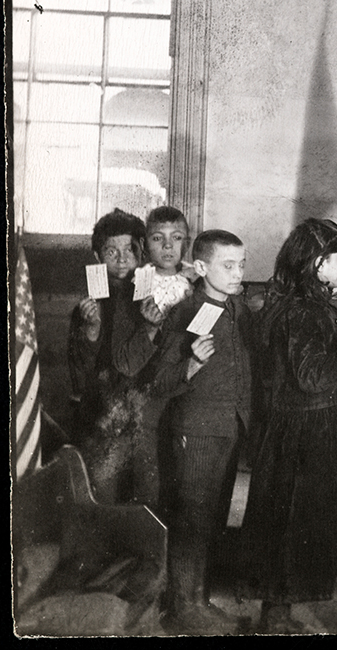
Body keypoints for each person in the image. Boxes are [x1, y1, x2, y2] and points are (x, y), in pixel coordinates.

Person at [240, 219, 337, 634]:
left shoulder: (299, 303)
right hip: (307, 430)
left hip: (297, 426)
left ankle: (275, 615)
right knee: (295, 524)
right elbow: (312, 378)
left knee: (285, 523)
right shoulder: (304, 310)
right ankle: (274, 621)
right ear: (317, 265)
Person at [154, 229, 252, 635]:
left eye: (241, 265)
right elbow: (160, 381)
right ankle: (183, 607)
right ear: (201, 267)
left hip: (228, 428)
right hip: (195, 430)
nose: (237, 273)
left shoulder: (237, 309)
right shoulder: (185, 312)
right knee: (191, 519)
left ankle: (200, 601)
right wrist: (191, 363)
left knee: (210, 519)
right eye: (227, 266)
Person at [109, 205, 193, 512]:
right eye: (158, 238)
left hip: (185, 404)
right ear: (145, 245)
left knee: (184, 490)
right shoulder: (134, 288)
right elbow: (125, 363)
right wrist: (150, 328)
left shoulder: (194, 287)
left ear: (187, 242)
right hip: (146, 406)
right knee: (149, 486)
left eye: (177, 238)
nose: (168, 246)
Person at [67, 207, 146, 503]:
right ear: (98, 258)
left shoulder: (151, 296)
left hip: (141, 408)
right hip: (101, 412)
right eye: (112, 251)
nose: (122, 258)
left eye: (130, 249)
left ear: (142, 253)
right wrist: (91, 329)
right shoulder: (88, 304)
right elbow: (78, 368)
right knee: (102, 492)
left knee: (140, 494)